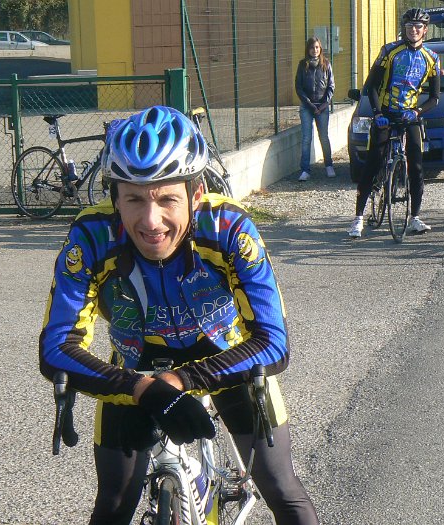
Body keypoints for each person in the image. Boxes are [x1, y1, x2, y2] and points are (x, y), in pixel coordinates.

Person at [39, 105, 320, 525]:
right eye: (134, 199)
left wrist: (180, 381)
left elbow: (273, 343)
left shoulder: (227, 227)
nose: (151, 221)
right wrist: (143, 390)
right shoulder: (93, 236)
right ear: (114, 198)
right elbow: (56, 347)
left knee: (282, 489)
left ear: (196, 193)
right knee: (113, 505)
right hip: (136, 365)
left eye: (167, 198)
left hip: (223, 354)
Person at [348, 8, 440, 238]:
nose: (414, 30)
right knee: (373, 162)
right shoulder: (389, 51)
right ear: (404, 28)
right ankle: (358, 219)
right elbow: (371, 86)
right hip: (385, 113)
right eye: (410, 26)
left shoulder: (432, 57)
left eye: (418, 26)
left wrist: (417, 111)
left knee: (416, 166)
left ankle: (415, 217)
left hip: (410, 115)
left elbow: (435, 98)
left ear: (425, 30)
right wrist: (378, 113)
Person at [295, 36, 336, 181]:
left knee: (323, 137)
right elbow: (298, 87)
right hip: (307, 107)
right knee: (306, 138)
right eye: (312, 47)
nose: (315, 50)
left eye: (317, 47)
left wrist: (324, 104)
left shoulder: (326, 64)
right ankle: (305, 170)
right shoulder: (302, 65)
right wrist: (310, 105)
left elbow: (331, 86)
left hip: (322, 107)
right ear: (308, 49)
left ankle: (329, 165)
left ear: (320, 49)